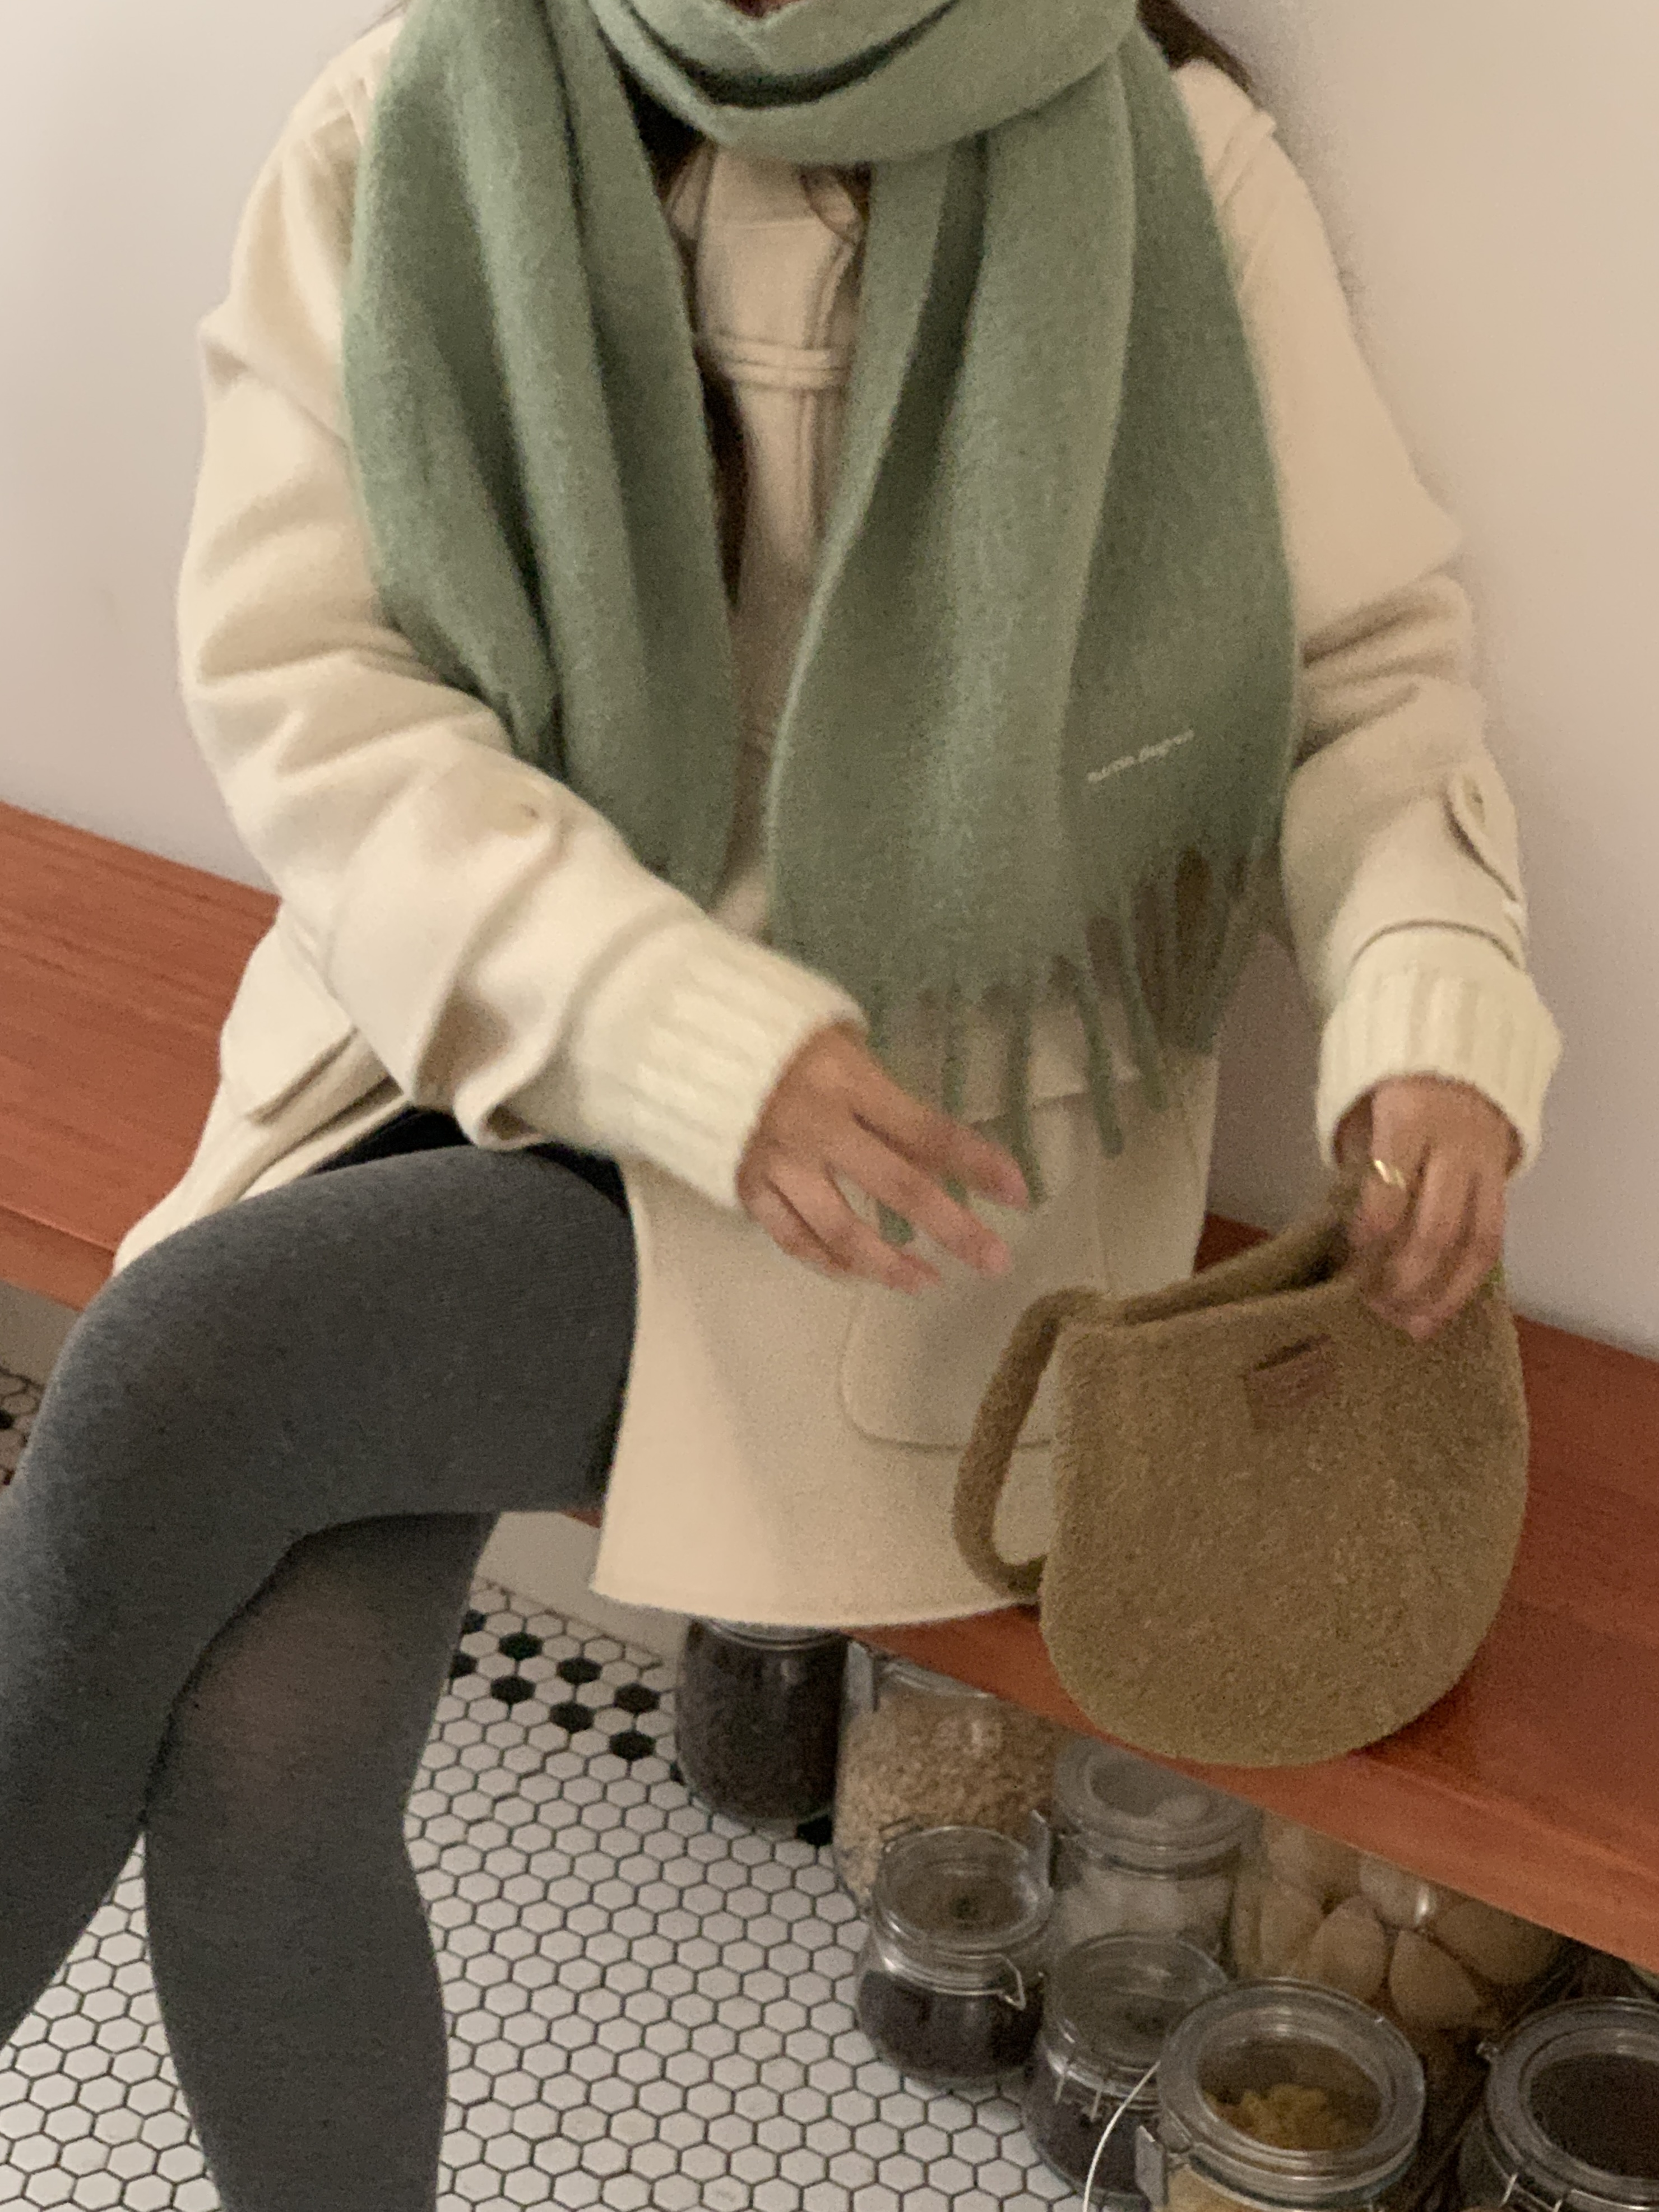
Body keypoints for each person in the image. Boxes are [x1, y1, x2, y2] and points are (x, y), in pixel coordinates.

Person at [0, 0, 1560, 2204]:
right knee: (271, 1740)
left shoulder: (1167, 160)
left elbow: (1362, 684)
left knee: (183, 1372)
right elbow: (318, 692)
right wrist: (664, 1021)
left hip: (914, 1147)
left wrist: (1426, 1001)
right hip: (467, 1010)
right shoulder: (409, 118)